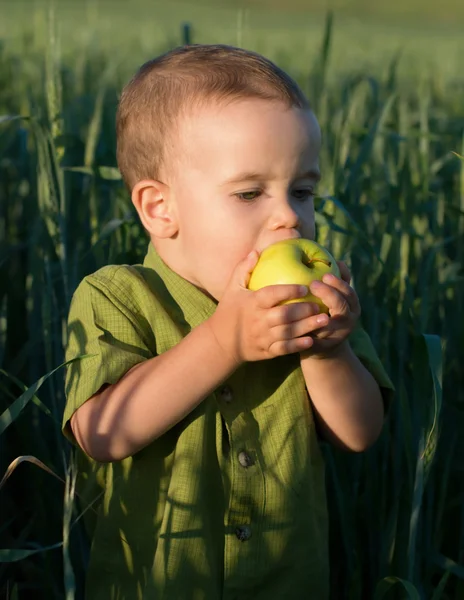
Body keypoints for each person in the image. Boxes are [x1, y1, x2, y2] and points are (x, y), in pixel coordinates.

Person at [62, 44, 394, 600]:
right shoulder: (118, 296)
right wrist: (224, 341)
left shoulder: (312, 311)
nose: (290, 216)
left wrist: (328, 352)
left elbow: (359, 433)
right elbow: (101, 432)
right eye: (249, 193)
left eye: (303, 191)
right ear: (159, 208)